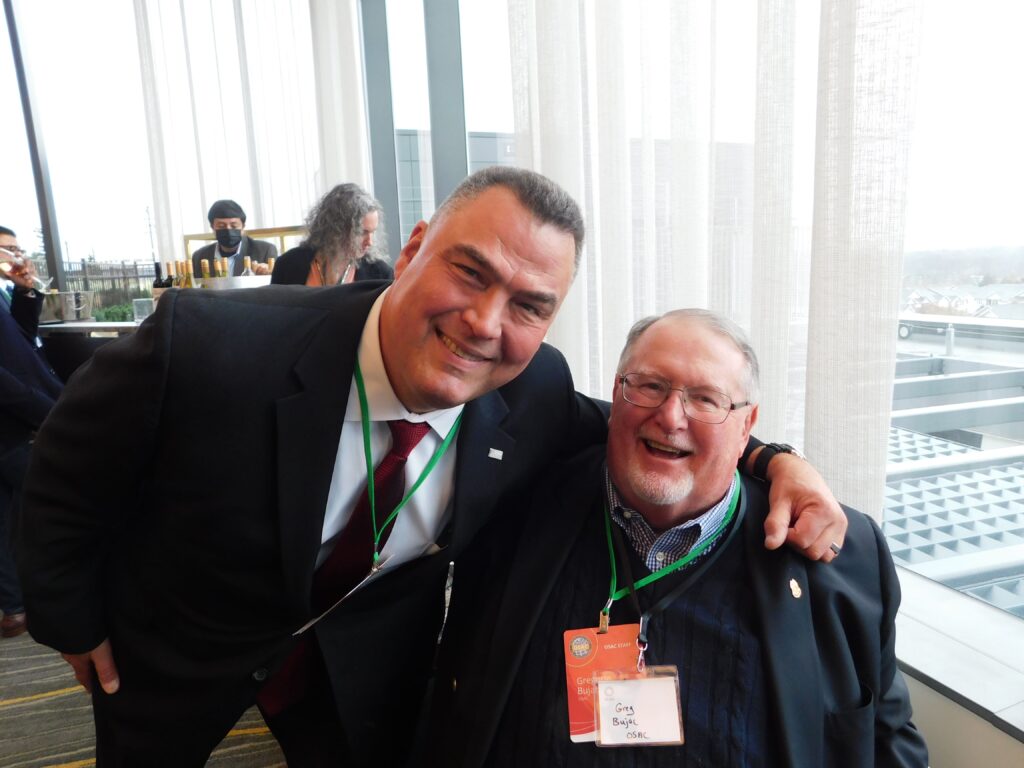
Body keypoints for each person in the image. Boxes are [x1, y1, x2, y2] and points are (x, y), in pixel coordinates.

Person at [17, 168, 846, 767]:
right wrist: (69, 617)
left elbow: (651, 427)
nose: (487, 324)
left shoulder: (536, 392)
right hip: (174, 648)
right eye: (470, 271)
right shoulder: (207, 345)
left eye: (530, 306)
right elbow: (63, 472)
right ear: (413, 247)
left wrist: (777, 462)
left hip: (358, 668)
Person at [423, 308, 928, 767]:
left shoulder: (837, 555)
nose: (669, 416)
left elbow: (889, 746)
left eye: (706, 399)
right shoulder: (519, 504)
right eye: (649, 386)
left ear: (748, 423)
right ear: (617, 392)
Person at [0, 226, 63, 639]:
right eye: (7, 249)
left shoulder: (4, 292)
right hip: (14, 423)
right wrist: (46, 410)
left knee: (6, 512)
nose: (15, 255)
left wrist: (25, 293)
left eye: (16, 247)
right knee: (64, 494)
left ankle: (14, 608)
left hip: (19, 417)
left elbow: (21, 341)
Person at [271, 183, 393, 286]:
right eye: (361, 232)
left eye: (372, 232)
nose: (370, 242)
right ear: (337, 229)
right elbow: (275, 313)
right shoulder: (288, 265)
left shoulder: (380, 274)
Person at [191, 199, 277, 277]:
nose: (228, 229)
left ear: (243, 227)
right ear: (212, 227)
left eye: (234, 225)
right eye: (221, 226)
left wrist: (269, 272)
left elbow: (277, 286)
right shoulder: (200, 256)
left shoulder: (265, 251)